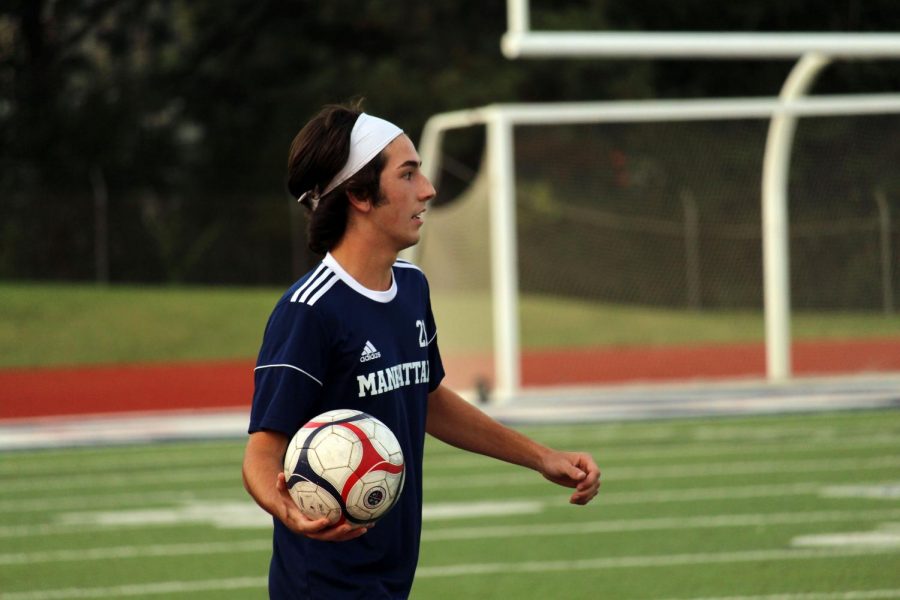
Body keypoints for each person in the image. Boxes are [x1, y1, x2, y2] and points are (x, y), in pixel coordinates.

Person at [242, 101, 601, 599]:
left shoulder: (411, 287)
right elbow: (262, 452)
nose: (428, 189)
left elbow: (427, 398)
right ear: (360, 195)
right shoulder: (309, 311)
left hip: (391, 571)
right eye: (408, 174)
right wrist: (289, 511)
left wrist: (540, 457)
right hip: (323, 582)